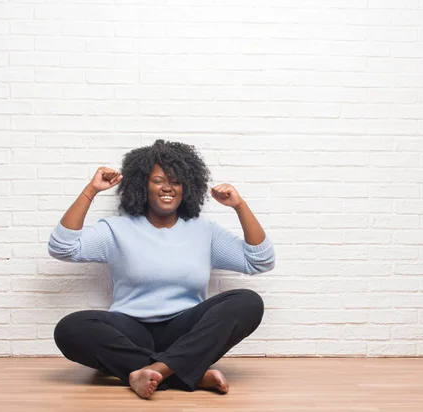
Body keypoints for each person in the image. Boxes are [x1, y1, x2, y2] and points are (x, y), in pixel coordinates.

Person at [48, 139, 275, 399]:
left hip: (185, 332)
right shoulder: (117, 230)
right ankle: (187, 373)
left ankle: (155, 370)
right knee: (70, 328)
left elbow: (260, 260)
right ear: (142, 185)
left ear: (186, 188)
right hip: (131, 330)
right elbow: (62, 247)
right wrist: (91, 190)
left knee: (247, 301)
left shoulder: (205, 232)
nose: (167, 187)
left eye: (176, 181)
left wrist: (239, 205)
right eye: (158, 180)